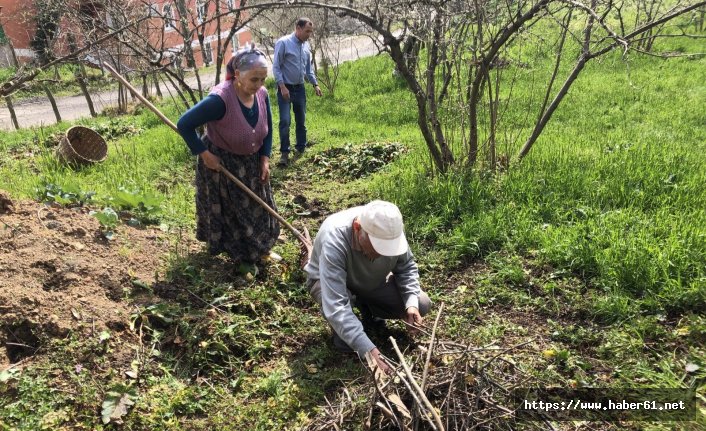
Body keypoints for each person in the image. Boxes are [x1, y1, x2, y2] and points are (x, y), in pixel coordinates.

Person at [176, 45, 280, 272]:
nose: (259, 85)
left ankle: (261, 247)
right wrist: (204, 154)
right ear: (238, 76)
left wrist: (265, 158)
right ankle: (242, 256)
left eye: (263, 79)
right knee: (235, 211)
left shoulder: (261, 94)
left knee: (259, 206)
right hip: (222, 163)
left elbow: (268, 127)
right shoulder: (220, 100)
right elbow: (184, 124)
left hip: (252, 162)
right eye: (254, 79)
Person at [304, 200, 432, 373]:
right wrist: (368, 351)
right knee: (346, 343)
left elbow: (406, 267)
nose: (381, 254)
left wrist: (411, 304)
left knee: (421, 303)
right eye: (378, 247)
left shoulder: (390, 229)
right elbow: (337, 306)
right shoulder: (334, 238)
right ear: (357, 228)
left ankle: (366, 307)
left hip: (370, 281)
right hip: (328, 283)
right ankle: (356, 321)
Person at [272, 17, 323, 167]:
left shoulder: (306, 46)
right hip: (285, 88)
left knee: (301, 120)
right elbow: (276, 67)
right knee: (285, 121)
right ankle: (284, 153)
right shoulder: (284, 43)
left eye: (311, 32)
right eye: (307, 31)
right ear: (298, 28)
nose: (309, 34)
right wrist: (282, 87)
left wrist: (315, 85)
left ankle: (301, 148)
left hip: (299, 88)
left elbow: (308, 70)